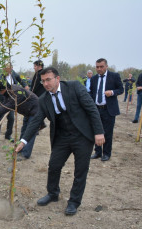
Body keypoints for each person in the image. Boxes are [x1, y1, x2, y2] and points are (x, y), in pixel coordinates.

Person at [15, 67, 105, 216]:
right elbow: (36, 120)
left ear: (57, 78)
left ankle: (74, 202)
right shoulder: (44, 99)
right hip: (62, 136)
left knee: (80, 170)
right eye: (43, 81)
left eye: (48, 79)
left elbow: (91, 109)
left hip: (82, 135)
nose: (45, 83)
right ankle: (53, 193)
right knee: (54, 165)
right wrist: (23, 141)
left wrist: (99, 132)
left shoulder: (74, 87)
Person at [89, 58, 123, 162]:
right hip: (96, 110)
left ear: (106, 66)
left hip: (108, 110)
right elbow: (91, 92)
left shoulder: (114, 76)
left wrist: (112, 92)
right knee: (96, 131)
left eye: (101, 67)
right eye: (97, 67)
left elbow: (121, 89)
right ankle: (98, 152)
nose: (99, 69)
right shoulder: (94, 78)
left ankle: (106, 153)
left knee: (107, 133)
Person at [0, 81, 39, 152]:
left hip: (34, 109)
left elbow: (10, 105)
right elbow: (5, 104)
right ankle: (20, 150)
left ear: (4, 89)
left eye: (0, 91)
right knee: (24, 130)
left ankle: (25, 154)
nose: (0, 93)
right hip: (27, 111)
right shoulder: (9, 92)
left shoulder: (16, 92)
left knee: (30, 132)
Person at [0, 63, 29, 144]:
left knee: (11, 118)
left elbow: (20, 79)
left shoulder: (13, 73)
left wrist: (25, 85)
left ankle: (8, 135)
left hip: (11, 100)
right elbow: (2, 90)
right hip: (1, 100)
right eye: (8, 68)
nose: (10, 69)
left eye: (11, 68)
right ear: (4, 69)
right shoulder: (0, 78)